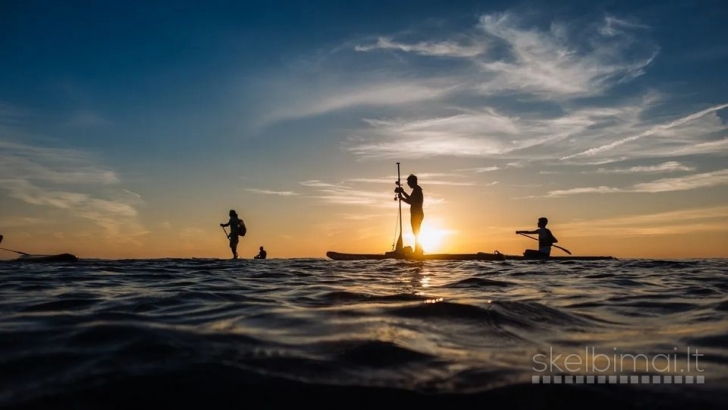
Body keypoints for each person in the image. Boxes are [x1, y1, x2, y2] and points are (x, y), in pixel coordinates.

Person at [395, 174, 424, 255]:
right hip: (416, 214)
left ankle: (418, 251)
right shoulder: (416, 190)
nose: (408, 184)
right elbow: (411, 199)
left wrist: (402, 197)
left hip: (417, 215)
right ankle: (418, 250)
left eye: (409, 182)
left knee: (416, 232)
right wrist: (403, 193)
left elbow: (411, 201)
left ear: (413, 182)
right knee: (415, 232)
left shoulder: (417, 190)